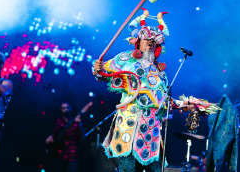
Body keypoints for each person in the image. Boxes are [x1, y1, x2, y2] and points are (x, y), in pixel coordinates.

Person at [93, 9, 219, 172]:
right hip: (129, 128)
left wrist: (187, 104)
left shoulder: (159, 73)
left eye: (154, 41)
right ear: (139, 41)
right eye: (147, 40)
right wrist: (98, 70)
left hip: (151, 132)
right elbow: (104, 74)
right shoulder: (126, 59)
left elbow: (165, 101)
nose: (151, 43)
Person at [45, 103, 85, 172]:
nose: (66, 109)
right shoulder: (58, 121)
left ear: (70, 108)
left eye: (67, 107)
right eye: (63, 108)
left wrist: (79, 124)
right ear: (60, 110)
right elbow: (55, 134)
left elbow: (82, 135)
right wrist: (50, 138)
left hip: (72, 154)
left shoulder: (75, 122)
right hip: (59, 153)